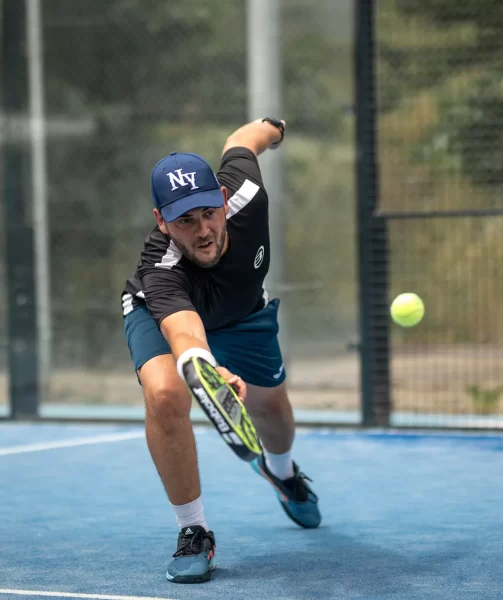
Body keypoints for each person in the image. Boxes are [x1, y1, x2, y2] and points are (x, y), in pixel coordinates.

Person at [120, 117, 321, 584]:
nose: (203, 230)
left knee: (273, 411)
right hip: (164, 318)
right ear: (161, 221)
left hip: (245, 314)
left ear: (225, 200)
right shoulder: (161, 268)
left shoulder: (248, 192)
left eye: (209, 212)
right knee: (164, 395)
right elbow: (185, 335)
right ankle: (193, 530)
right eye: (184, 221)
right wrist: (205, 368)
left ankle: (282, 473)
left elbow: (243, 139)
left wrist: (275, 128)